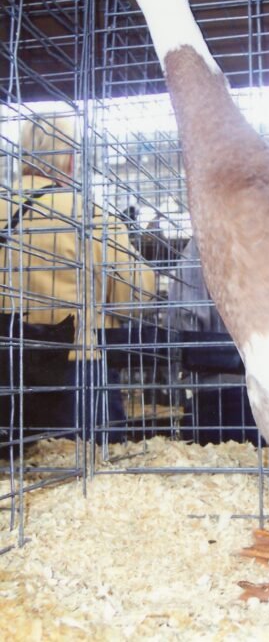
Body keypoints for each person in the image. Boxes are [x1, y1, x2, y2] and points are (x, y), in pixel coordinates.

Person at [0, 116, 156, 452]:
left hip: (6, 371)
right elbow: (134, 299)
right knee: (89, 479)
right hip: (79, 372)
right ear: (71, 159)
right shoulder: (90, 217)